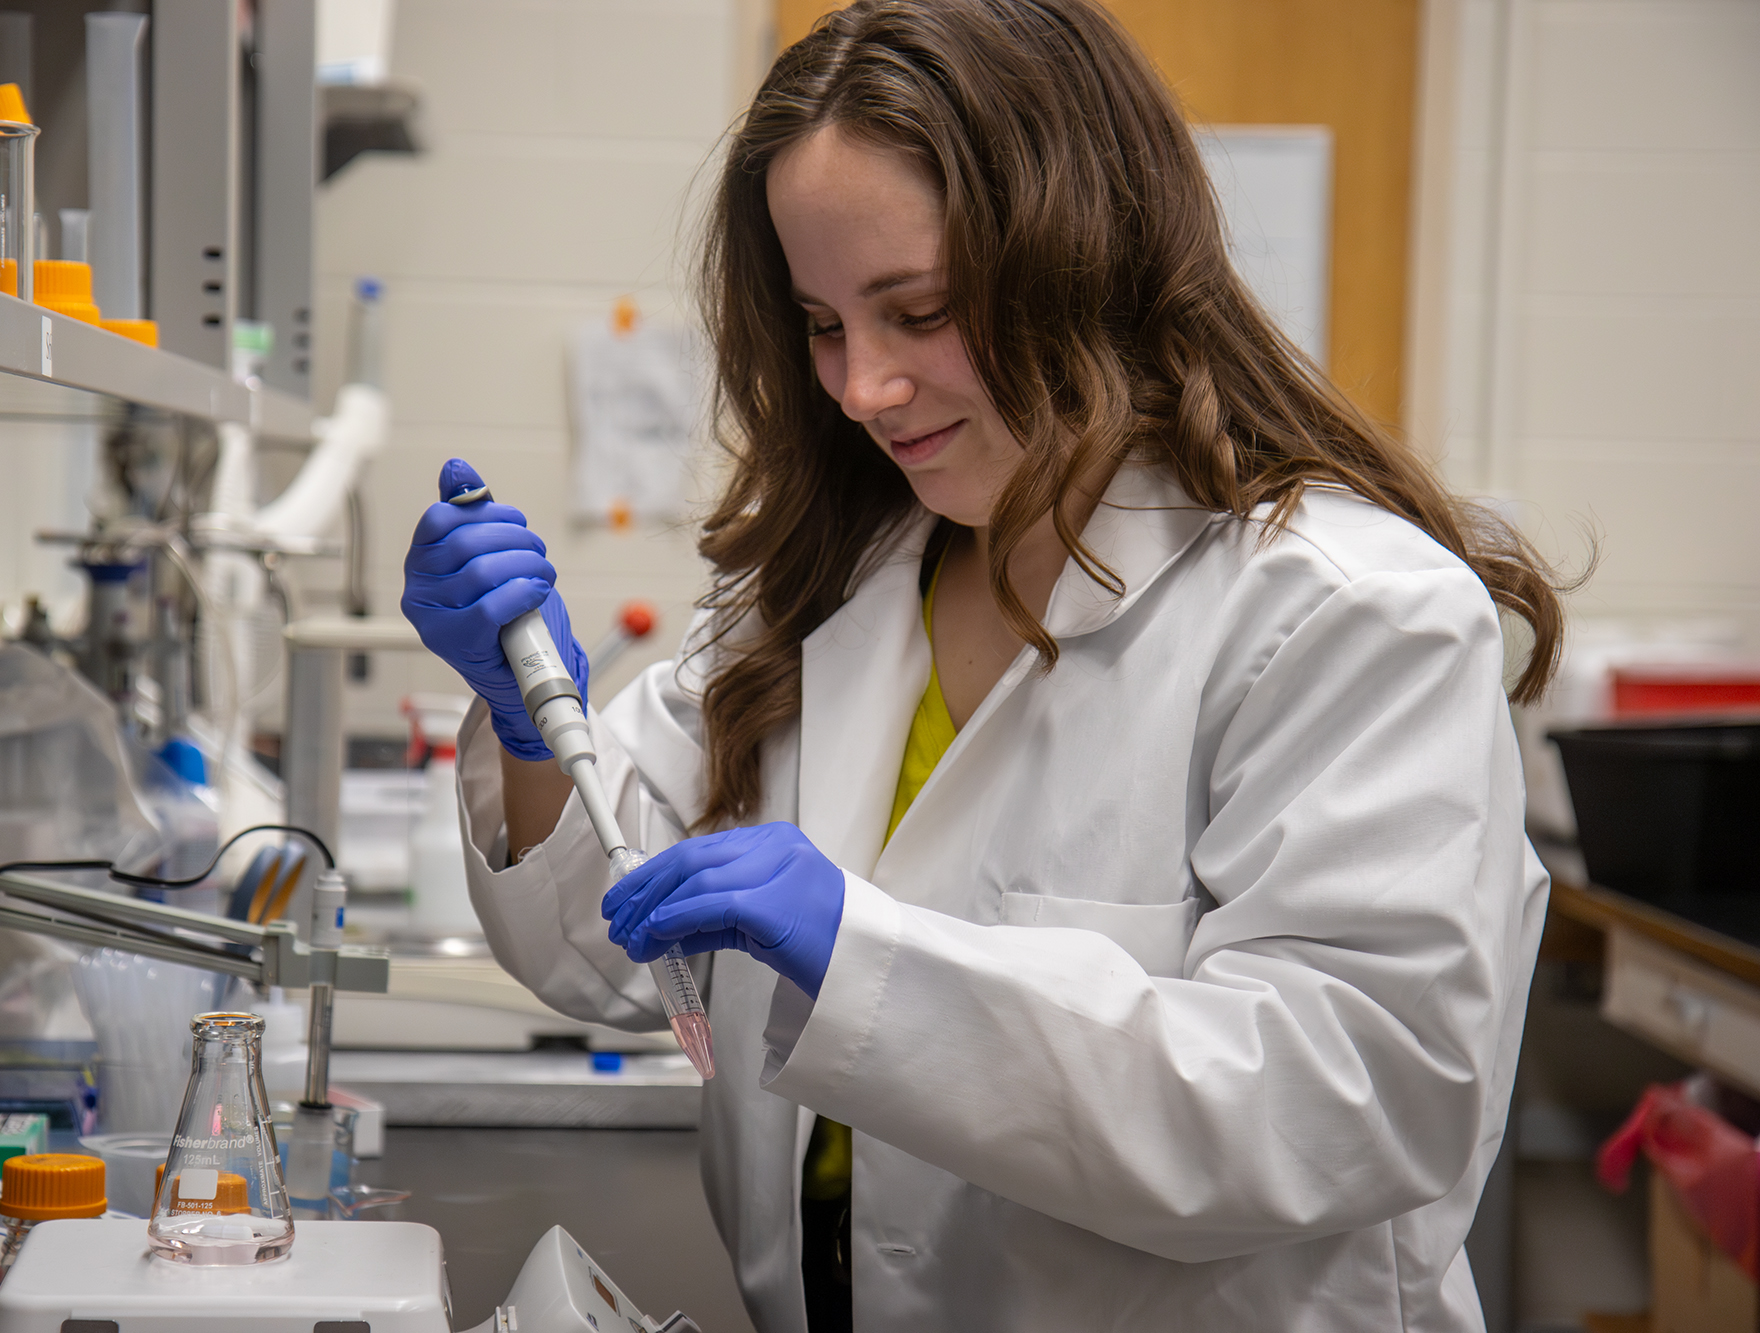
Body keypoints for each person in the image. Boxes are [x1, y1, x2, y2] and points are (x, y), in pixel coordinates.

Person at [401, 1, 1569, 1327]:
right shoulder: (839, 578)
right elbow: (608, 957)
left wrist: (868, 957)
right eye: (825, 325)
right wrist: (533, 722)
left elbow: (1342, 1102)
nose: (862, 388)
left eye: (921, 311)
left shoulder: (1347, 615)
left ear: (1087, 261)